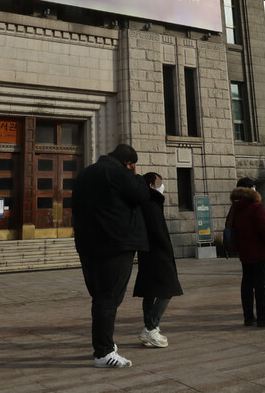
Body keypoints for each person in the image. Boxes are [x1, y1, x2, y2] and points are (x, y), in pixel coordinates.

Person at [71, 144, 149, 368]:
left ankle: (105, 345)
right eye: (132, 166)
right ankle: (103, 352)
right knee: (109, 298)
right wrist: (137, 177)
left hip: (88, 246)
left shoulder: (86, 172)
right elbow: (142, 196)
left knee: (100, 298)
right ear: (129, 163)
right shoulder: (119, 172)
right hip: (115, 244)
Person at [132, 172, 183, 348]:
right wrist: (167, 250)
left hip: (148, 253)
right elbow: (157, 232)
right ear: (151, 186)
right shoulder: (152, 204)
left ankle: (151, 329)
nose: (163, 186)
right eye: (160, 183)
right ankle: (151, 327)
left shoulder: (147, 203)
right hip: (158, 254)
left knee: (150, 291)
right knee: (168, 290)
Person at [229, 177, 265, 327]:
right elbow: (264, 228)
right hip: (258, 250)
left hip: (244, 251)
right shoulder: (256, 205)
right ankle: (262, 316)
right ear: (250, 189)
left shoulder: (235, 206)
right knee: (260, 285)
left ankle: (248, 317)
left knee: (246, 284)